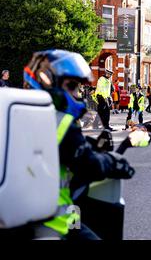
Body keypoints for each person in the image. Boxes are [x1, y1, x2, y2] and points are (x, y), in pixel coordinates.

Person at [23, 50, 135, 240]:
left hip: (18, 221)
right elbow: (89, 166)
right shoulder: (61, 123)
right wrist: (114, 163)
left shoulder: (16, 115)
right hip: (55, 220)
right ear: (47, 81)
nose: (79, 95)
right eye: (72, 86)